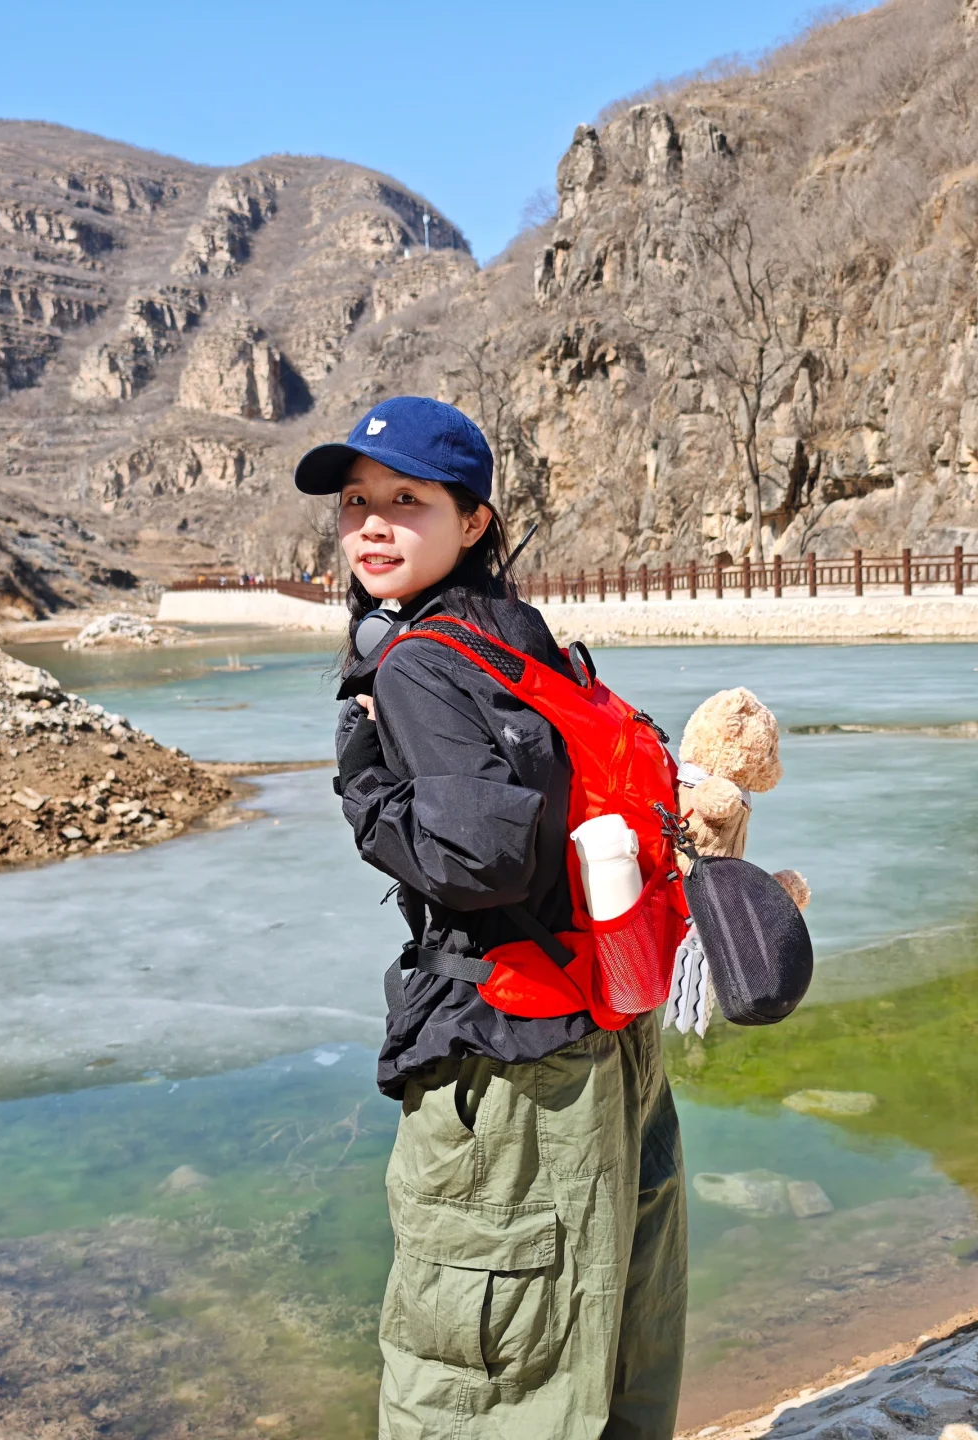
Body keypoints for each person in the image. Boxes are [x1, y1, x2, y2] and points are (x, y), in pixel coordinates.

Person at [294, 396, 686, 1440]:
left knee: (477, 1377)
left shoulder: (419, 659)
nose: (370, 525)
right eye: (355, 503)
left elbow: (481, 857)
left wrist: (365, 790)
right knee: (608, 1336)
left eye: (405, 502)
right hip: (608, 1021)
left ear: (473, 522)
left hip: (513, 1061)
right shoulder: (516, 633)